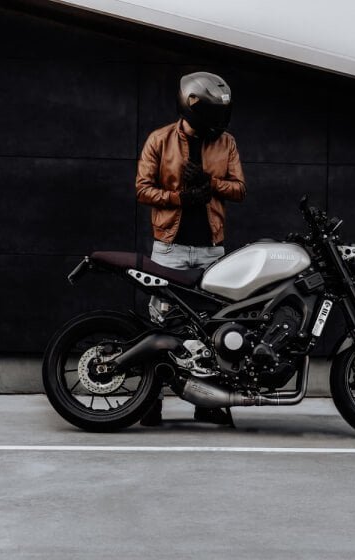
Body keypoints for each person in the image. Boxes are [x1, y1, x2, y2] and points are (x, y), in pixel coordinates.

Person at [135, 71, 246, 426]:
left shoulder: (226, 142)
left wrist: (210, 183)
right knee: (160, 328)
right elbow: (142, 188)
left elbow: (240, 188)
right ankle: (150, 401)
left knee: (213, 328)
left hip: (212, 249)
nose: (219, 123)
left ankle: (210, 404)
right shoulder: (160, 139)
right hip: (169, 248)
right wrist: (179, 197)